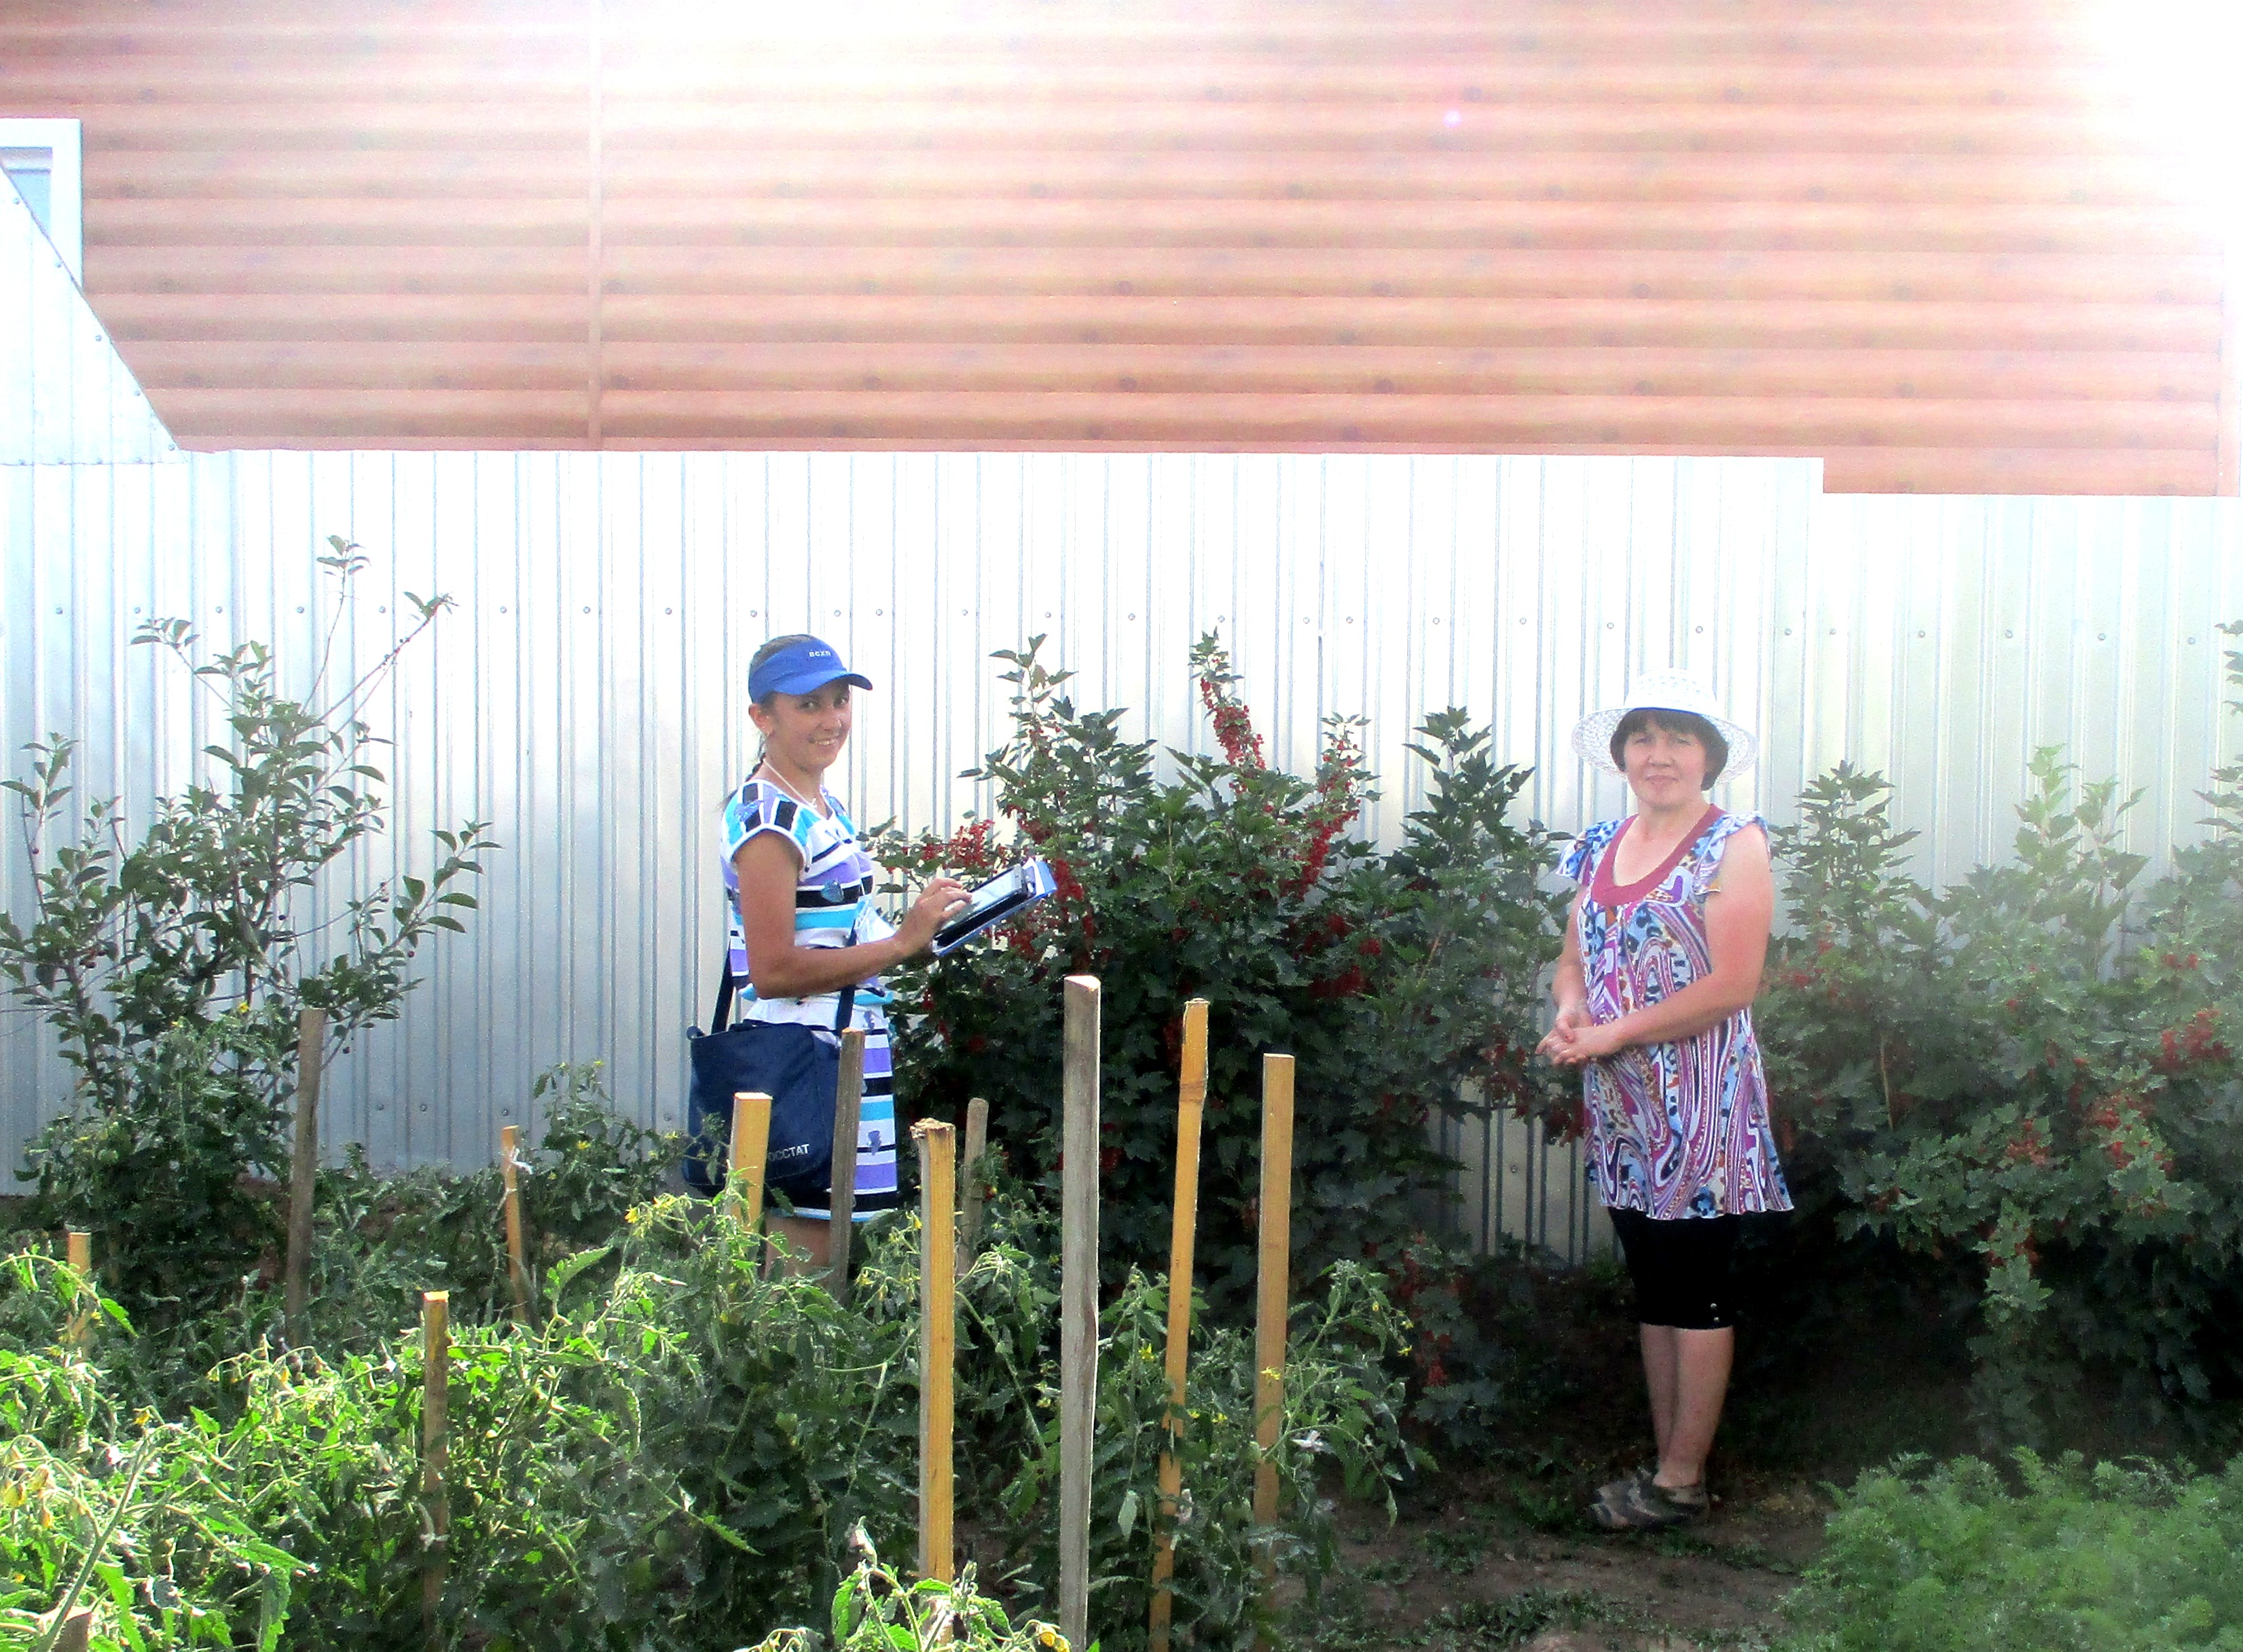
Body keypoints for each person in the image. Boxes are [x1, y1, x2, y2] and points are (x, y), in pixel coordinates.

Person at [1537, 670, 1791, 1532]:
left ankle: (1683, 1481)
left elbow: (1734, 984)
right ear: (1622, 757)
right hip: (1625, 1106)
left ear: (1710, 759)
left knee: (1696, 1288)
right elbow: (1575, 958)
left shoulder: (1735, 844)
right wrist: (1573, 1013)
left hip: (1702, 1102)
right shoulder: (1600, 844)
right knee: (1653, 1283)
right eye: (1643, 737)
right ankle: (1663, 1465)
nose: (1660, 754)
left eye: (1680, 738)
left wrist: (1613, 1034)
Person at [722, 634, 967, 1266]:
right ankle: (778, 1370)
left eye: (839, 700)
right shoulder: (767, 821)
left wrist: (923, 925)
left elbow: (842, 930)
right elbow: (772, 971)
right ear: (762, 717)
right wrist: (900, 942)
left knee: (833, 1263)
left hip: (841, 1049)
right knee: (800, 1276)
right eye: (808, 705)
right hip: (802, 1060)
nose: (831, 719)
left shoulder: (820, 804)